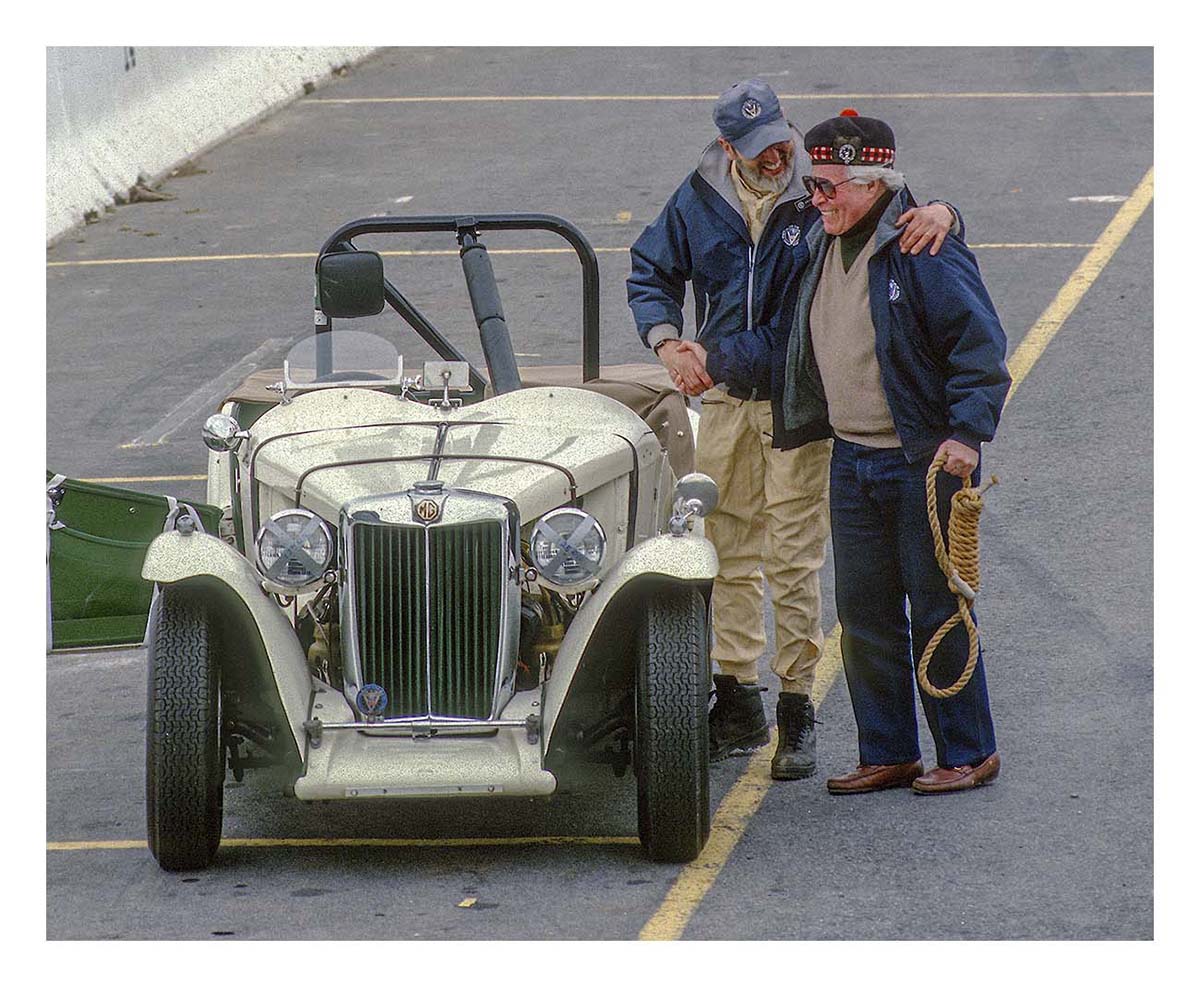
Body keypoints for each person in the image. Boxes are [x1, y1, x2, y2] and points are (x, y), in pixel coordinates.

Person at [627, 80, 961, 780]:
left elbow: (901, 210)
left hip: (798, 402)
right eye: (760, 149)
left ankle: (797, 708)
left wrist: (947, 211)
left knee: (792, 556)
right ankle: (738, 696)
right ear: (728, 149)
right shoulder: (698, 196)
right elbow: (650, 267)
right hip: (722, 402)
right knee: (726, 548)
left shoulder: (820, 187)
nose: (778, 156)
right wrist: (666, 341)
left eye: (782, 139)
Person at [685, 109, 1010, 794]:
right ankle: (888, 749)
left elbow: (978, 349)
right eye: (816, 184)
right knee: (862, 615)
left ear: (874, 182)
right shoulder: (818, 237)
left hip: (923, 460)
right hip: (852, 459)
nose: (817, 197)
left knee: (937, 606)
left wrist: (966, 432)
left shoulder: (924, 244)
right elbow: (778, 312)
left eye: (830, 185)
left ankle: (969, 751)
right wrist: (709, 356)